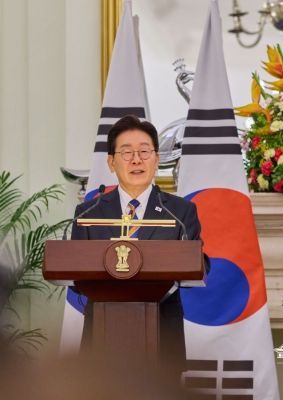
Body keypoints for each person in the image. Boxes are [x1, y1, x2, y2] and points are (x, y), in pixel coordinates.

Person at [71, 114, 202, 374]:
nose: (136, 160)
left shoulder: (180, 212)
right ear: (111, 162)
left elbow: (198, 264)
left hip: (163, 335)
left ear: (156, 159)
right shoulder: (89, 212)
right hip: (102, 335)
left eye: (144, 151)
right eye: (126, 152)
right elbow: (75, 274)